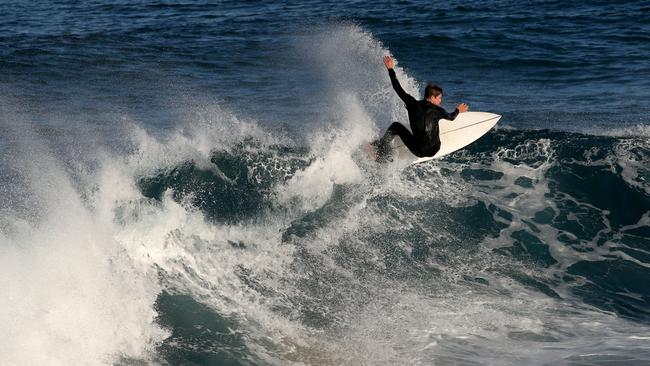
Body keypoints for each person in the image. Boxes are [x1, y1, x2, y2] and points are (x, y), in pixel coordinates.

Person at [369, 55, 469, 161]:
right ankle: (382, 149)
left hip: (418, 151)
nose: (440, 101)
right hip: (435, 149)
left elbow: (397, 88)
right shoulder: (438, 110)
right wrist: (458, 110)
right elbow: (451, 117)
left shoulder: (412, 103)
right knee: (435, 121)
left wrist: (390, 69)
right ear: (431, 97)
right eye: (439, 98)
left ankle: (381, 151)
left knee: (395, 126)